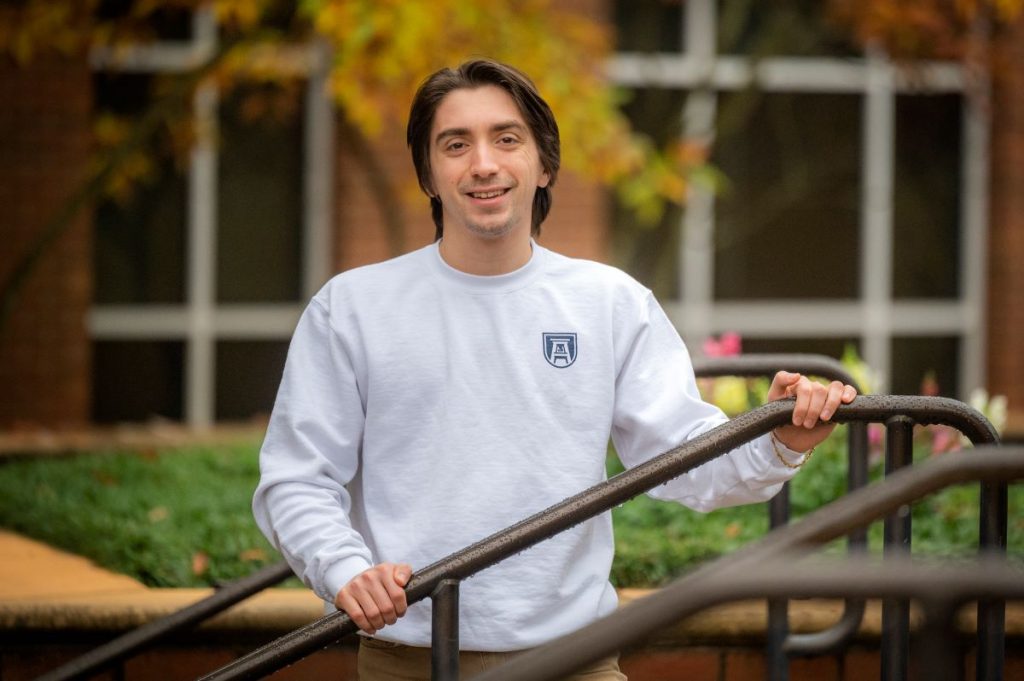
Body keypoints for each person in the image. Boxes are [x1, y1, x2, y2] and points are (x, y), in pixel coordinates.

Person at [252, 58, 857, 680]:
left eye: (506, 139)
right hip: (408, 661)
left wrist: (779, 441)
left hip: (578, 661)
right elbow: (296, 479)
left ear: (544, 165)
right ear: (429, 175)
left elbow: (682, 457)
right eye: (455, 145)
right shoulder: (351, 308)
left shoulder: (610, 302)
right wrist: (345, 570)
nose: (483, 163)